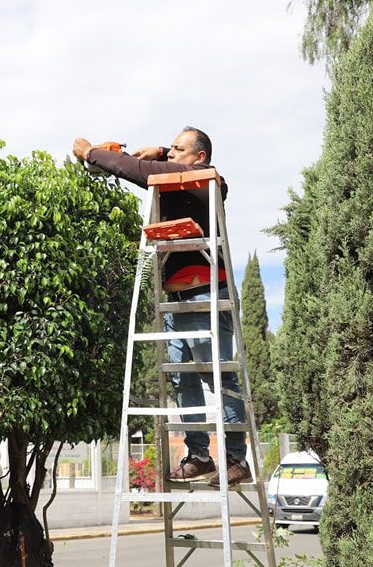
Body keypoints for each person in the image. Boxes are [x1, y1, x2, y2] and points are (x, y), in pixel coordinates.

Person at [73, 127, 252, 487]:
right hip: (176, 298)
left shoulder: (207, 180)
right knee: (182, 377)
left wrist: (91, 153)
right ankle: (200, 456)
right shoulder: (172, 180)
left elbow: (142, 172)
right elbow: (154, 168)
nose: (171, 155)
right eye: (170, 149)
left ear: (199, 157)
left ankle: (235, 459)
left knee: (219, 376)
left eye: (178, 149)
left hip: (206, 294)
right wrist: (156, 149)